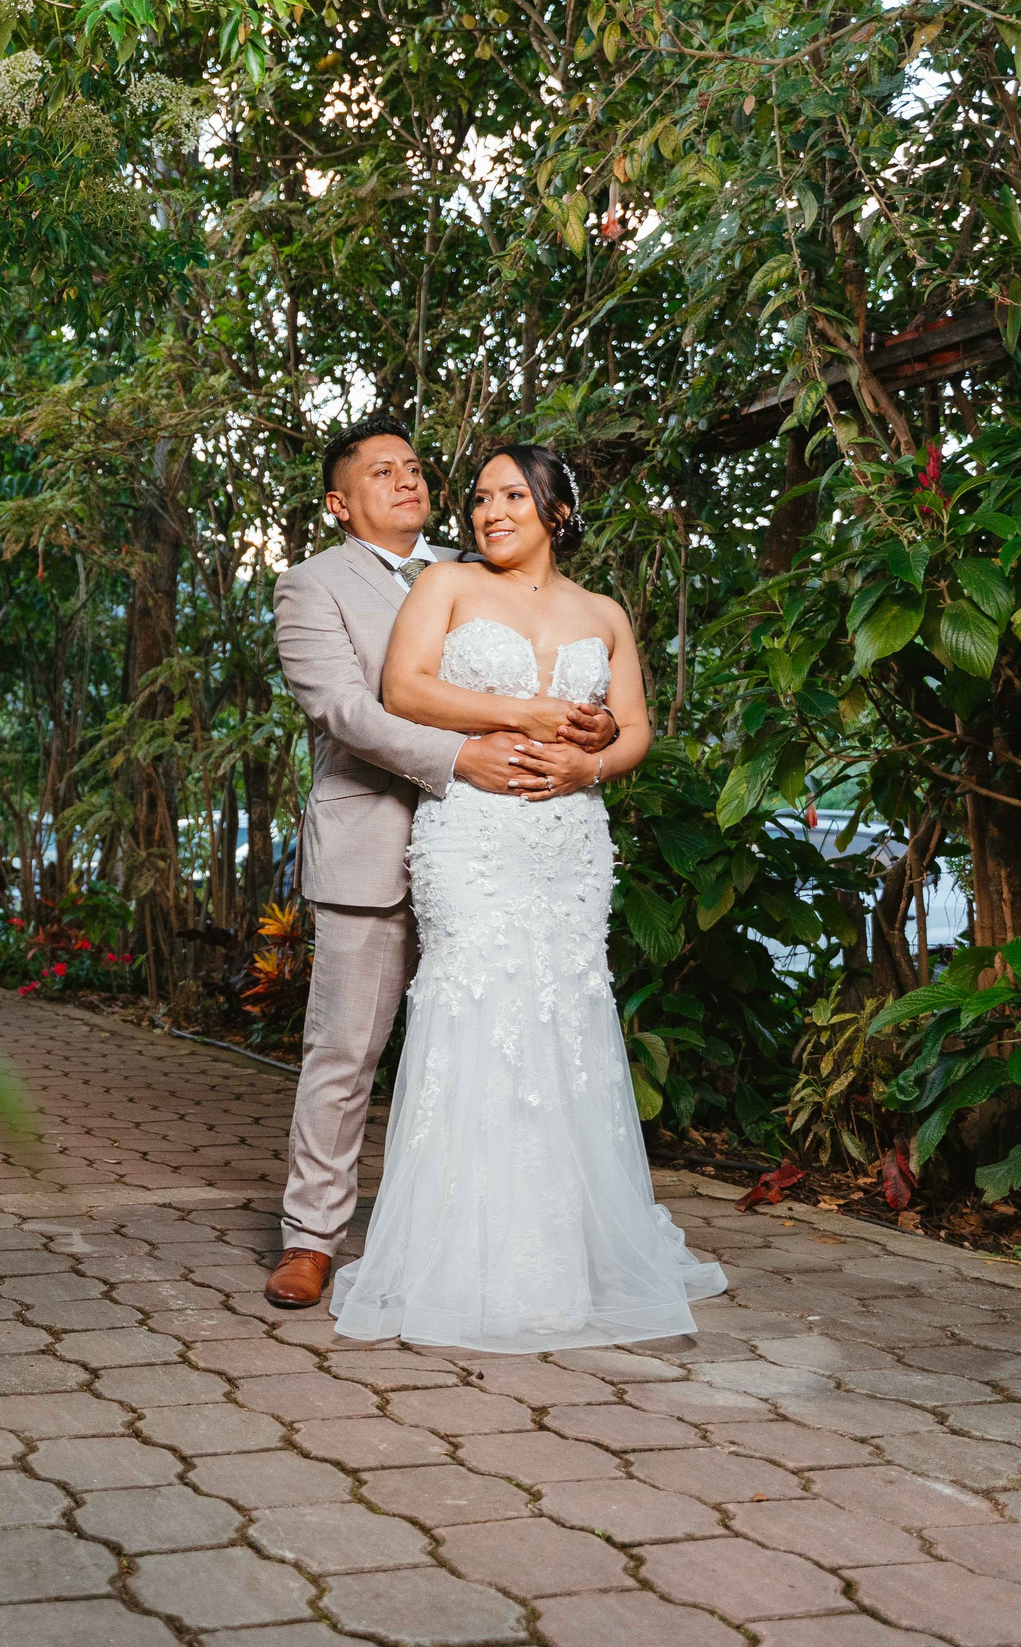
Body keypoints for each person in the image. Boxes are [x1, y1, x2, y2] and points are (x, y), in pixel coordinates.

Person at [323, 442, 727, 1351]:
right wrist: (527, 716)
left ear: (557, 507)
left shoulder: (605, 613)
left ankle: (563, 1256)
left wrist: (593, 756)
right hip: (473, 833)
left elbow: (636, 729)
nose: (487, 511)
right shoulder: (448, 589)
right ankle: (463, 1257)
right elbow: (403, 688)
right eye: (478, 498)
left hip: (570, 841)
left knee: (567, 1015)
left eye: (511, 495)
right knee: (477, 1006)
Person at [263, 417, 618, 1311]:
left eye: (416, 467)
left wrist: (598, 724)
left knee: (493, 1040)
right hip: (378, 838)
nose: (407, 480)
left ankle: (487, 1236)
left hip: (500, 847)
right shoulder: (311, 585)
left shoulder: (480, 566)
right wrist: (456, 758)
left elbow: (568, 663)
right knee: (345, 1049)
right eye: (381, 472)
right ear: (341, 503)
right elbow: (345, 710)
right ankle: (311, 1238)